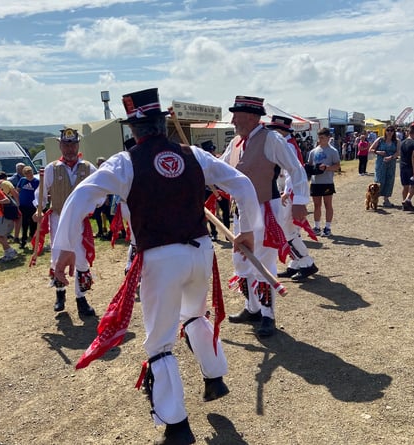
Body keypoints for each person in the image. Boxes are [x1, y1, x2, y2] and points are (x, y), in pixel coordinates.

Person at [53, 88, 261, 445]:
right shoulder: (193, 154)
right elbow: (242, 184)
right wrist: (246, 230)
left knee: (160, 342)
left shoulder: (125, 162)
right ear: (162, 124)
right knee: (195, 315)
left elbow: (80, 196)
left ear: (134, 129)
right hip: (200, 250)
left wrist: (66, 247)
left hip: (159, 257)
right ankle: (215, 377)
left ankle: (177, 425)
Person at [221, 96, 309, 338]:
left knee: (262, 262)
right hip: (240, 211)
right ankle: (252, 308)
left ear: (250, 116)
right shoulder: (237, 143)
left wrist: (300, 200)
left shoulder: (271, 139)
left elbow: (296, 169)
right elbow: (221, 167)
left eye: (236, 115)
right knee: (242, 261)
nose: (233, 120)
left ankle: (268, 315)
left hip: (264, 209)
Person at [41, 128, 97, 317]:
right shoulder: (52, 168)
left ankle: (81, 298)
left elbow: (99, 193)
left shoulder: (88, 168)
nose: (70, 149)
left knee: (80, 256)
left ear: (78, 145)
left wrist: (92, 206)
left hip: (80, 220)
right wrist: (38, 208)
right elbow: (40, 193)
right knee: (57, 255)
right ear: (60, 145)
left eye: (73, 144)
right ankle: (60, 293)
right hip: (57, 218)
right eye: (66, 144)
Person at [266, 115, 318, 281]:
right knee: (291, 230)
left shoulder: (287, 145)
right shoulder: (287, 144)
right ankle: (295, 263)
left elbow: (294, 172)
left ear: (281, 131)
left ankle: (306, 263)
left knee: (287, 231)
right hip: (288, 192)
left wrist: (287, 192)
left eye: (274, 130)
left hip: (290, 193)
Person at [307, 127, 341, 236]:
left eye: (322, 137)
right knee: (317, 205)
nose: (320, 140)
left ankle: (328, 227)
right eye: (319, 137)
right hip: (315, 182)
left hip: (327, 182)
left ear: (328, 138)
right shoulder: (313, 151)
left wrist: (326, 168)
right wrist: (314, 170)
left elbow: (337, 166)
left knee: (328, 205)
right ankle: (317, 227)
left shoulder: (333, 151)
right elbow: (310, 166)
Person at [370, 125, 401, 207]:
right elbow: (371, 149)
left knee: (389, 180)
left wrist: (391, 157)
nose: (389, 132)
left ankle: (386, 199)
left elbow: (398, 152)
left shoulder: (397, 141)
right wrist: (378, 152)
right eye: (388, 130)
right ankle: (374, 198)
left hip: (391, 163)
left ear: (394, 132)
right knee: (380, 180)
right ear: (385, 131)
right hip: (381, 163)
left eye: (391, 130)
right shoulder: (380, 140)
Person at [16, 166, 39, 250]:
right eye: (26, 174)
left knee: (33, 224)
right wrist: (17, 201)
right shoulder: (22, 180)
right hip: (23, 205)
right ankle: (23, 241)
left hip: (33, 206)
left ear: (32, 173)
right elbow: (17, 190)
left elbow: (39, 194)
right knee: (24, 224)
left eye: (29, 173)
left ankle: (33, 241)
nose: (28, 176)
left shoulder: (37, 182)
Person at [399, 125, 414, 211]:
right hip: (411, 167)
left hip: (403, 166)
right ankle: (407, 200)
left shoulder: (402, 142)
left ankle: (405, 204)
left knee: (405, 186)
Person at [9, 163, 26, 244]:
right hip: (17, 201)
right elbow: (12, 191)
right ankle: (14, 236)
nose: (24, 169)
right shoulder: (13, 179)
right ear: (18, 170)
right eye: (22, 168)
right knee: (18, 219)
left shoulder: (26, 177)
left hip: (25, 200)